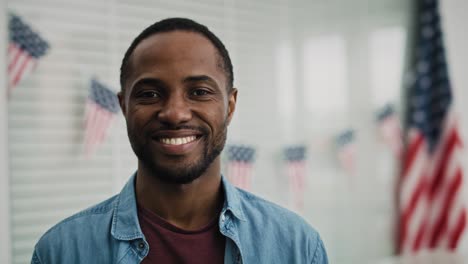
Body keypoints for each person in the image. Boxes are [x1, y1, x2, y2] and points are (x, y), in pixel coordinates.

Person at [31, 18, 328, 264]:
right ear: (123, 106)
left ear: (231, 105)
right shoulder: (61, 252)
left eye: (199, 92)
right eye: (149, 94)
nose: (174, 114)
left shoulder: (297, 247)